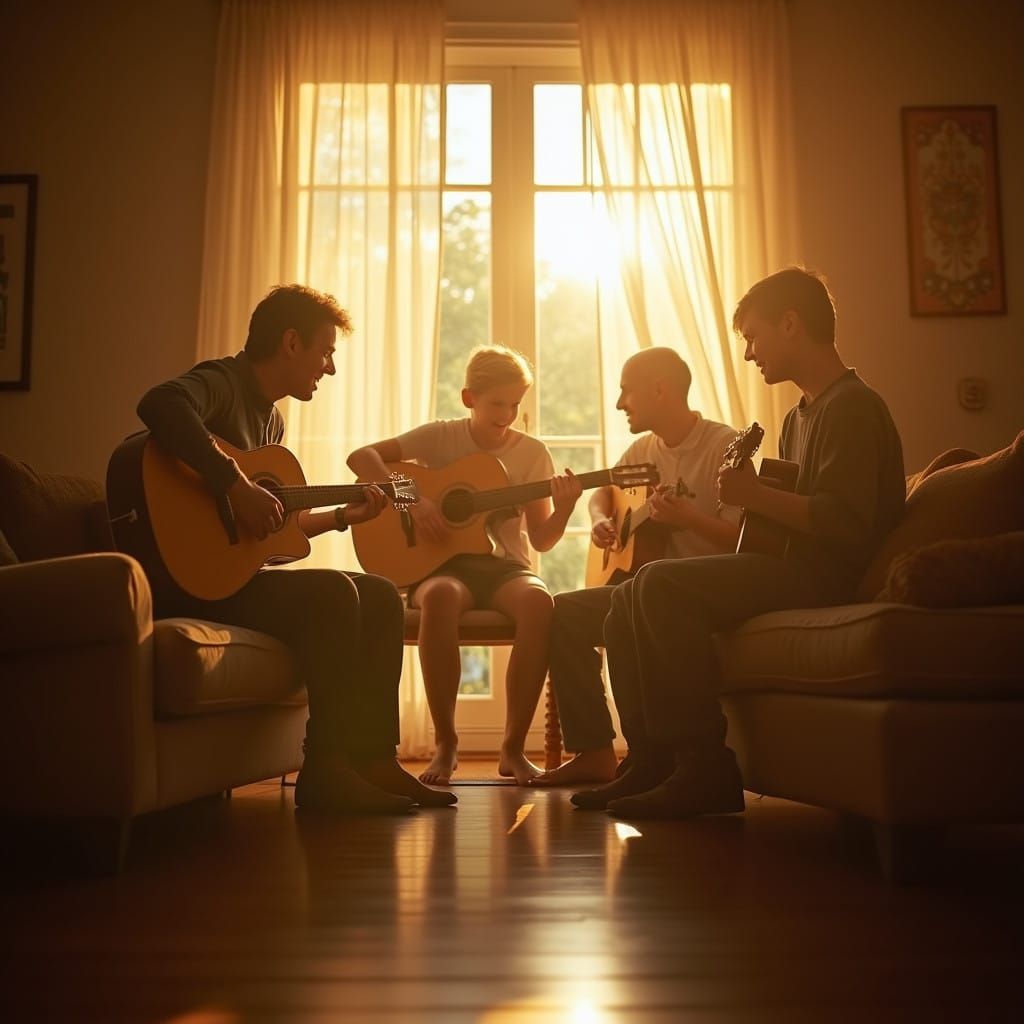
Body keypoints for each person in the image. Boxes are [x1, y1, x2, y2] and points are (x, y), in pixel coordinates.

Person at [570, 267, 906, 818]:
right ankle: (649, 761)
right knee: (624, 600)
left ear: (792, 324)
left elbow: (845, 523)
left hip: (827, 578)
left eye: (753, 335)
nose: (749, 353)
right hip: (795, 565)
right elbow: (791, 513)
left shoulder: (852, 407)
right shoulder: (802, 413)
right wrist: (758, 502)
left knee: (657, 584)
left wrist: (750, 494)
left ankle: (704, 767)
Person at [135, 283, 456, 814]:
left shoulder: (271, 419)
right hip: (184, 579)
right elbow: (159, 403)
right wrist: (234, 484)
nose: (329, 368)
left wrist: (338, 518)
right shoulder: (224, 381)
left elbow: (266, 537)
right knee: (332, 594)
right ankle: (325, 770)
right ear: (290, 343)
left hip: (230, 577)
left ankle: (375, 760)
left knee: (377, 594)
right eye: (325, 352)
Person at [347, 345, 583, 786]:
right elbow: (362, 457)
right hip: (440, 567)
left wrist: (566, 509)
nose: (508, 414)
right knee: (439, 597)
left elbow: (544, 539)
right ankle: (447, 742)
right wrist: (412, 497)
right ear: (468, 398)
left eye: (516, 404)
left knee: (538, 602)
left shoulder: (533, 453)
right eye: (498, 403)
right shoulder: (440, 437)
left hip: (504, 567)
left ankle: (512, 749)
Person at [531, 347, 741, 788]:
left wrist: (686, 518)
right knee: (562, 612)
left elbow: (740, 538)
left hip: (693, 595)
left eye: (626, 390)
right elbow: (603, 493)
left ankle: (649, 760)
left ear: (660, 390)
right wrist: (600, 521)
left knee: (632, 599)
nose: (619, 402)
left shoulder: (723, 446)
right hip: (639, 588)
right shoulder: (642, 450)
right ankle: (593, 753)